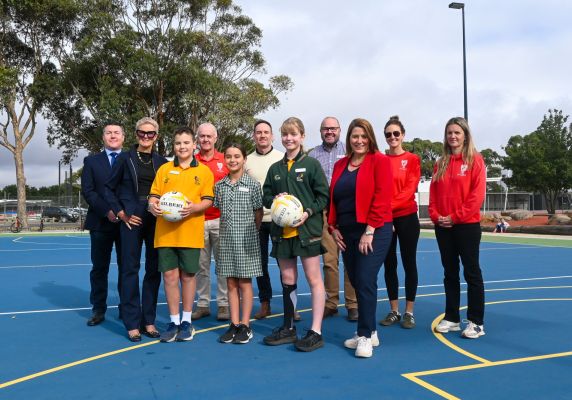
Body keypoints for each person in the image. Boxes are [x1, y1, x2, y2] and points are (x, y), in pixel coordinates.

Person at [262, 117, 329, 352]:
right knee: (288, 280)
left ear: (302, 136)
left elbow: (323, 196)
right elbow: (266, 196)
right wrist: (275, 200)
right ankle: (289, 327)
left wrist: (308, 211)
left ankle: (316, 331)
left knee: (313, 279)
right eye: (285, 135)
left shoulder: (311, 165)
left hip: (306, 232)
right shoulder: (275, 168)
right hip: (282, 233)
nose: (289, 139)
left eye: (293, 134)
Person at [328, 118, 393, 358]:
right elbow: (334, 198)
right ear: (349, 139)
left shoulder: (380, 161)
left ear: (370, 138)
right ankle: (371, 330)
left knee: (365, 278)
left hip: (375, 229)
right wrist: (332, 228)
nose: (359, 140)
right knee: (357, 279)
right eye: (355, 136)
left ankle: (364, 335)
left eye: (363, 136)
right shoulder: (340, 165)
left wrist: (369, 230)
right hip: (347, 231)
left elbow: (382, 196)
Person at [147, 127, 214, 342]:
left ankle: (187, 321)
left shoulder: (203, 171)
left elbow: (208, 200)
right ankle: (174, 321)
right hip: (165, 233)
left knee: (188, 276)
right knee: (169, 276)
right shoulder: (164, 170)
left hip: (191, 232)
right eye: (178, 143)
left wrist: (194, 208)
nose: (182, 147)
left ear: (194, 145)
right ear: (173, 146)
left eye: (186, 143)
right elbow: (153, 195)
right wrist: (152, 205)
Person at [105, 117, 167, 342]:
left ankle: (148, 320)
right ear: (136, 134)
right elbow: (108, 189)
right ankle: (132, 322)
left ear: (156, 136)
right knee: (129, 270)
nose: (146, 137)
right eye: (142, 133)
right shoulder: (124, 158)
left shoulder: (163, 162)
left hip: (156, 219)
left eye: (151, 134)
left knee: (153, 270)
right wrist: (121, 214)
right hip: (131, 218)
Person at [429, 117, 486, 339]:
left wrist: (455, 217)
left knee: (472, 273)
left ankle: (476, 322)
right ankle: (452, 318)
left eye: (457, 132)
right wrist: (436, 216)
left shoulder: (476, 161)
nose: (453, 136)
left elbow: (476, 197)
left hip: (466, 226)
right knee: (449, 273)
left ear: (465, 135)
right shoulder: (440, 162)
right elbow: (433, 195)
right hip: (443, 227)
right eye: (449, 133)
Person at [308, 117, 358, 321]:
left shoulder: (351, 150)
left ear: (339, 130)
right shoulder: (313, 155)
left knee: (350, 259)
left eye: (333, 128)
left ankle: (353, 304)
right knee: (330, 260)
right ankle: (330, 302)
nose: (329, 131)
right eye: (325, 129)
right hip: (325, 212)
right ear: (320, 131)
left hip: (348, 210)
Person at [216, 143, 264, 344]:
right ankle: (234, 324)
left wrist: (253, 231)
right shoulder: (219, 186)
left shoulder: (253, 185)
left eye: (237, 156)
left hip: (247, 240)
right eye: (228, 156)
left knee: (245, 282)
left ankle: (245, 325)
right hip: (227, 240)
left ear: (244, 159)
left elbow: (258, 212)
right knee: (230, 283)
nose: (233, 160)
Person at [379, 116, 421, 329]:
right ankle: (394, 310)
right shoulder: (380, 159)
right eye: (388, 134)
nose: (392, 137)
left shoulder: (412, 159)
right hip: (386, 219)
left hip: (406, 217)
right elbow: (379, 190)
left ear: (402, 135)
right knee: (389, 264)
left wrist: (390, 210)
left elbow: (409, 190)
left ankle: (409, 312)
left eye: (396, 133)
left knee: (408, 262)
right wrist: (386, 215)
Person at [81, 123, 125, 327]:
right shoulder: (91, 161)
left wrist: (123, 213)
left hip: (127, 223)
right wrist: (107, 211)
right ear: (103, 137)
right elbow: (88, 191)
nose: (113, 135)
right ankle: (98, 309)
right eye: (109, 132)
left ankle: (127, 308)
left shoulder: (131, 159)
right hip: (100, 222)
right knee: (99, 268)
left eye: (117, 132)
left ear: (123, 137)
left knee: (127, 268)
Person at [245, 120, 284, 320]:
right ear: (254, 136)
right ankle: (265, 303)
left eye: (266, 132)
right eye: (258, 132)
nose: (262, 135)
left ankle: (290, 305)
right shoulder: (247, 160)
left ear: (272, 136)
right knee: (259, 264)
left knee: (284, 263)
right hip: (256, 220)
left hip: (279, 219)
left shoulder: (281, 157)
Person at [193, 123, 230, 321]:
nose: (206, 139)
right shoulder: (191, 161)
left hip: (220, 220)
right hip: (197, 221)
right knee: (201, 266)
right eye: (202, 136)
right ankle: (203, 304)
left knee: (223, 265)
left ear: (216, 138)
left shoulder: (225, 160)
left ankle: (224, 304)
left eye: (209, 136)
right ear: (197, 139)